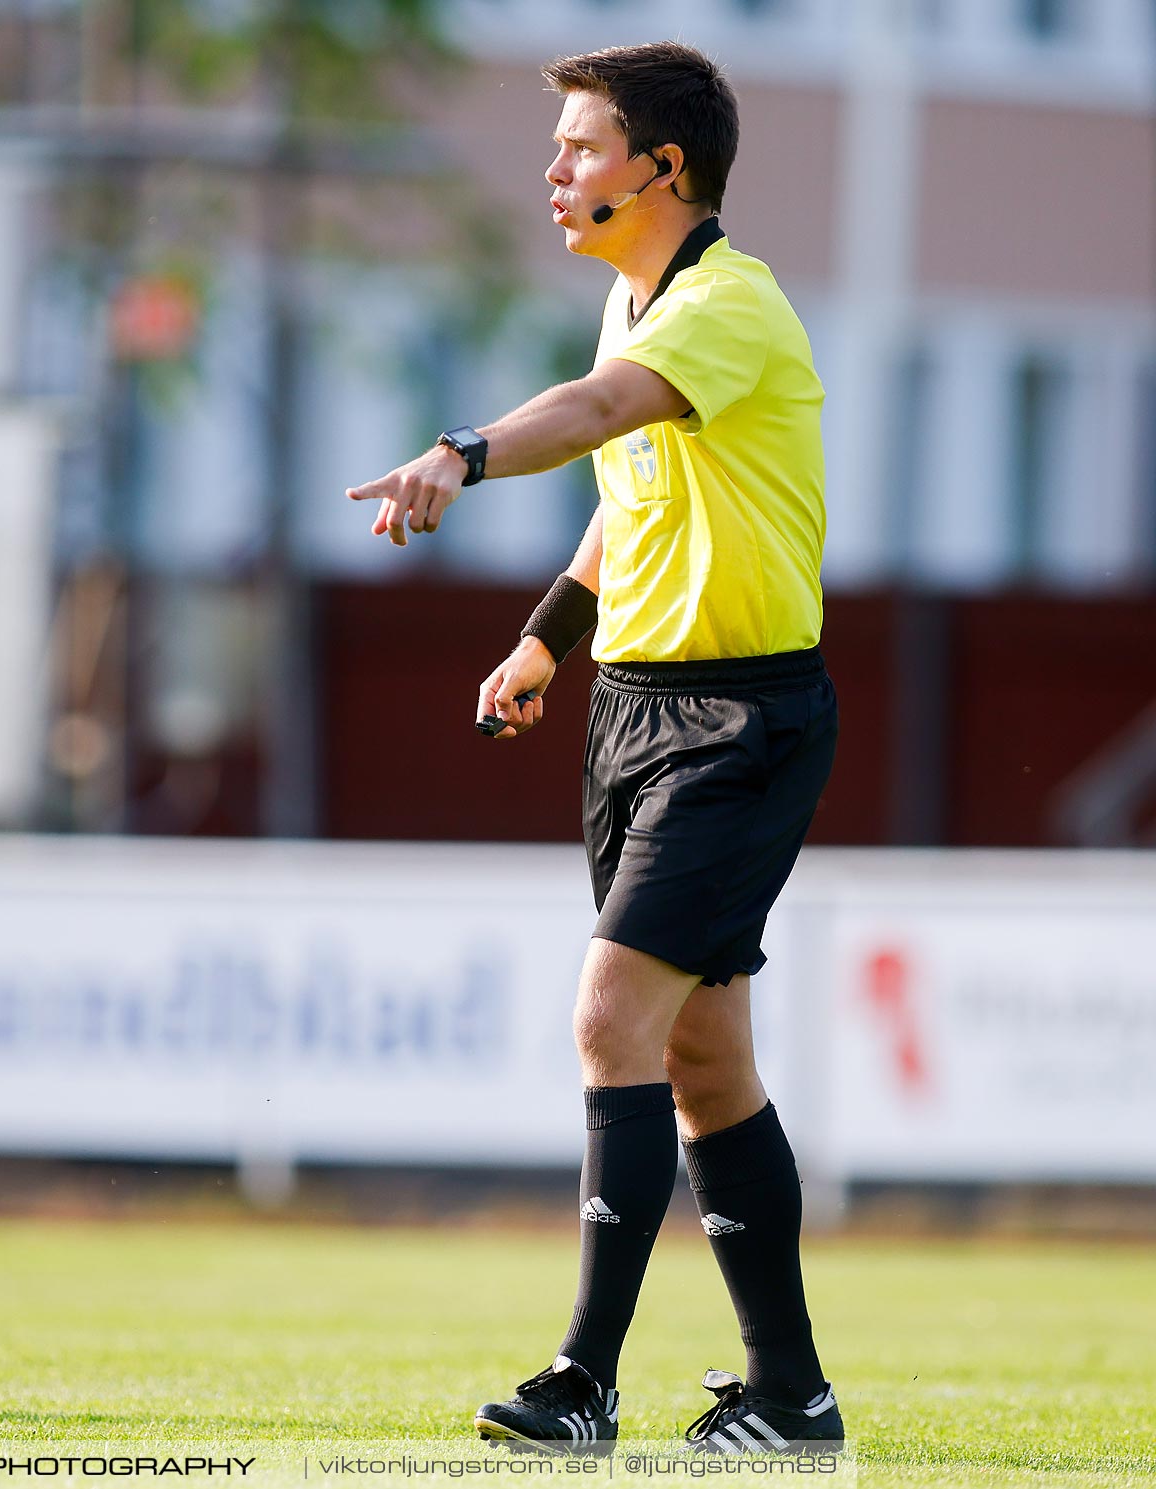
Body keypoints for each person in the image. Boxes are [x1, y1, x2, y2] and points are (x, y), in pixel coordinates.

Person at [345, 41, 844, 1457]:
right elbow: (627, 504)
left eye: (577, 147)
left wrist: (462, 447)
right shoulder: (638, 308)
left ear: (661, 169)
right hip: (637, 707)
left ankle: (583, 1382)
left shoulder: (728, 305)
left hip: (738, 717)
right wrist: (544, 643)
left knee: (609, 1016)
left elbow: (596, 418)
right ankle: (794, 1400)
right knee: (704, 1062)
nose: (553, 171)